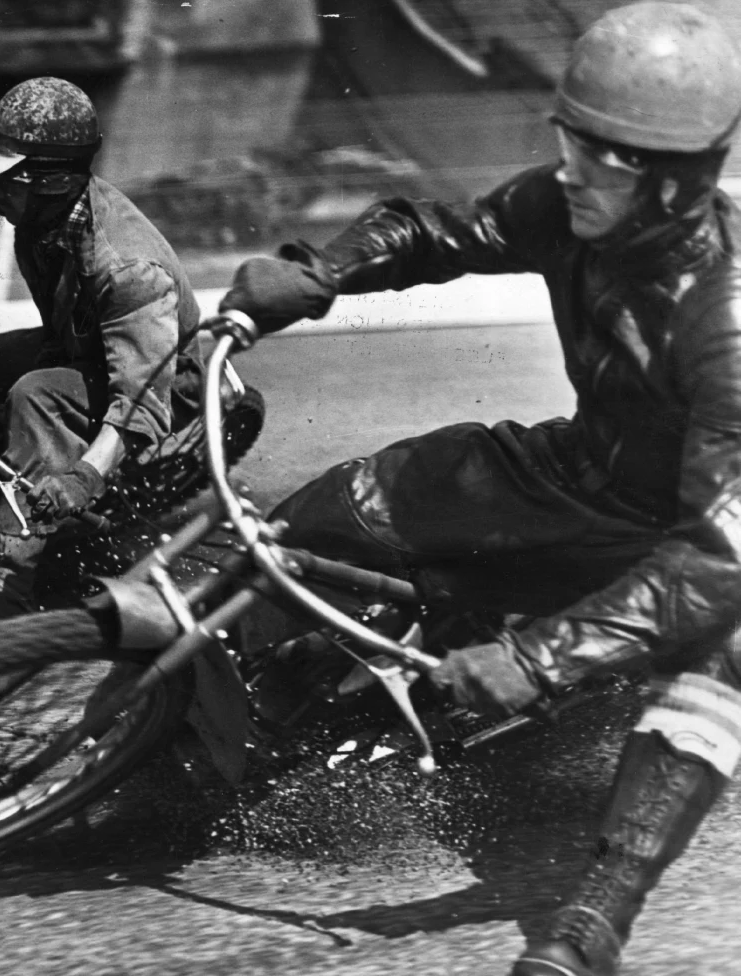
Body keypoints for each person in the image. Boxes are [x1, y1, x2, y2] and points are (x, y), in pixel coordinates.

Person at [218, 5, 741, 975]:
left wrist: (538, 661)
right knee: (351, 501)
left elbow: (715, 560)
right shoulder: (569, 201)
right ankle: (226, 685)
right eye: (570, 139)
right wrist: (316, 275)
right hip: (571, 468)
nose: (573, 168)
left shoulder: (726, 321)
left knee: (722, 662)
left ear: (676, 183)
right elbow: (440, 232)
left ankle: (594, 921)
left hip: (680, 542)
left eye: (609, 156)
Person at [0, 77, 205, 636]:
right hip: (77, 346)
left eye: (6, 180)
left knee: (36, 395)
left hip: (154, 381)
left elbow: (138, 400)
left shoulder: (128, 269)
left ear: (51, 181)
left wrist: (86, 477)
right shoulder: (41, 200)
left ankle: (3, 602)